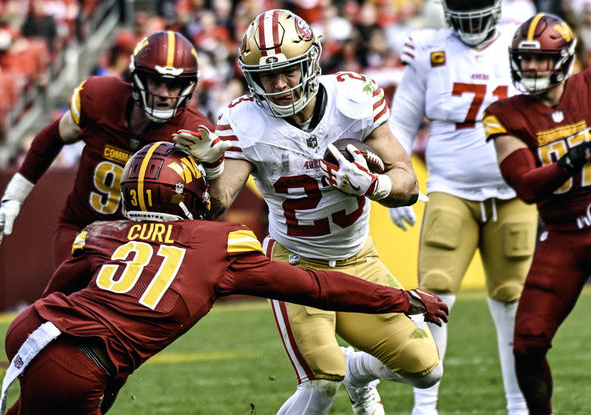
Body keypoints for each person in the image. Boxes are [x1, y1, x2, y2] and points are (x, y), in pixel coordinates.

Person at [0, 142, 449, 415]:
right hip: (83, 362)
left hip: (38, 332)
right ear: (186, 193)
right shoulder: (217, 245)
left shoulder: (103, 233)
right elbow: (316, 286)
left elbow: (58, 290)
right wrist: (400, 299)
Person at [174, 8, 444, 415]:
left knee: (426, 370)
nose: (280, 85)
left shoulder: (353, 98)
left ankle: (359, 373)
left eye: (290, 71)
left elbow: (407, 183)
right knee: (321, 382)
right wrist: (211, 169)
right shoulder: (244, 120)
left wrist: (373, 185)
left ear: (312, 62)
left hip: (360, 260)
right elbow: (218, 203)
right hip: (296, 265)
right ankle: (344, 373)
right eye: (268, 76)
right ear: (252, 77)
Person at [386, 1, 539, 414]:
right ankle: (425, 406)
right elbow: (400, 122)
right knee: (435, 295)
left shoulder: (522, 42)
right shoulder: (428, 50)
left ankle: (518, 406)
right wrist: (396, 181)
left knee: (512, 302)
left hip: (515, 192)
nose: (470, 16)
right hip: (451, 189)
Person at [0, 30, 213, 268]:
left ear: (188, 86)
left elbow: (211, 204)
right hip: (83, 231)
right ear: (138, 78)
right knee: (64, 302)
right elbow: (53, 137)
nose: (164, 94)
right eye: (156, 81)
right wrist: (14, 196)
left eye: (174, 85)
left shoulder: (194, 132)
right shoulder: (100, 98)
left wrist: (214, 167)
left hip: (144, 245)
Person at [483, 13, 585, 415]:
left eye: (541, 59)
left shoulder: (588, 86)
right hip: (563, 234)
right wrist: (571, 160)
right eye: (525, 60)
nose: (531, 67)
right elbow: (524, 184)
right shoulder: (505, 113)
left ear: (564, 58)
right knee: (527, 340)